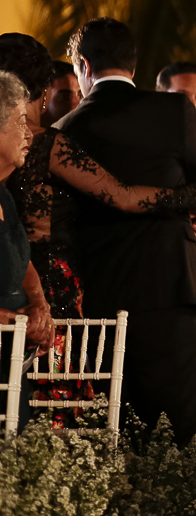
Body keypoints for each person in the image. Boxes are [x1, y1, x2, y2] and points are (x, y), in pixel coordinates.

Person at [55, 18, 196, 444]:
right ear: (134, 64)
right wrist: (187, 211)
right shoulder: (175, 111)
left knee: (109, 430)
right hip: (172, 288)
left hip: (101, 292)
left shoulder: (66, 130)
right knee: (179, 433)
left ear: (84, 65)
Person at [0, 71, 53, 431]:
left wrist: (40, 305)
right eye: (21, 122)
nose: (29, 134)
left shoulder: (3, 194)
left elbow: (21, 257)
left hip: (12, 356)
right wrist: (15, 323)